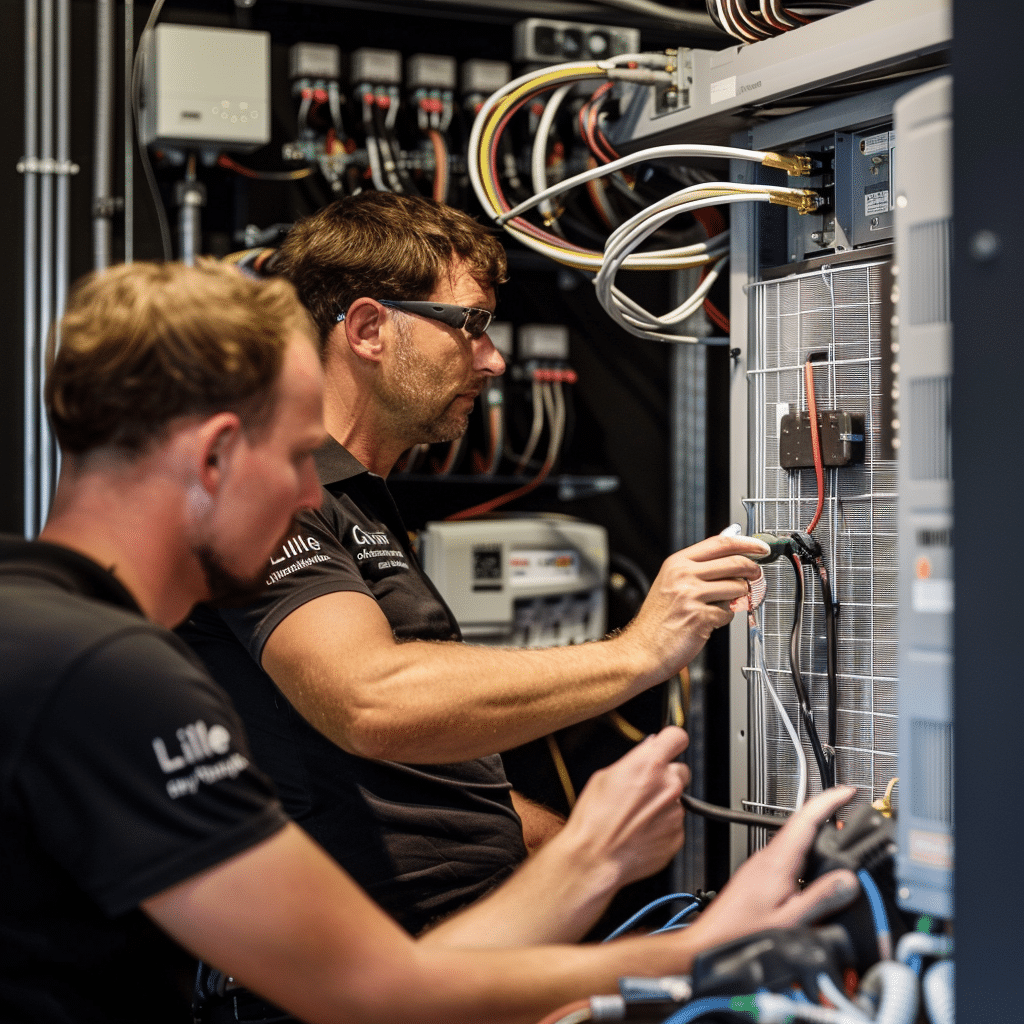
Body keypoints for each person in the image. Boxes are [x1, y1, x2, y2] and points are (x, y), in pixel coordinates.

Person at [0, 257, 861, 1024]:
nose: (311, 497)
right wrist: (700, 949)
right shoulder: (108, 675)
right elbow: (364, 993)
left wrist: (588, 862)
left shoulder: (44, 634)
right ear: (216, 456)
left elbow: (375, 979)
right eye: (299, 458)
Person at [179, 192, 772, 945]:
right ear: (367, 329)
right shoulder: (276, 502)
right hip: (366, 973)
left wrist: (551, 838)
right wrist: (639, 651)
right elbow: (371, 701)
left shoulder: (358, 506)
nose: (493, 359)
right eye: (471, 325)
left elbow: (370, 773)